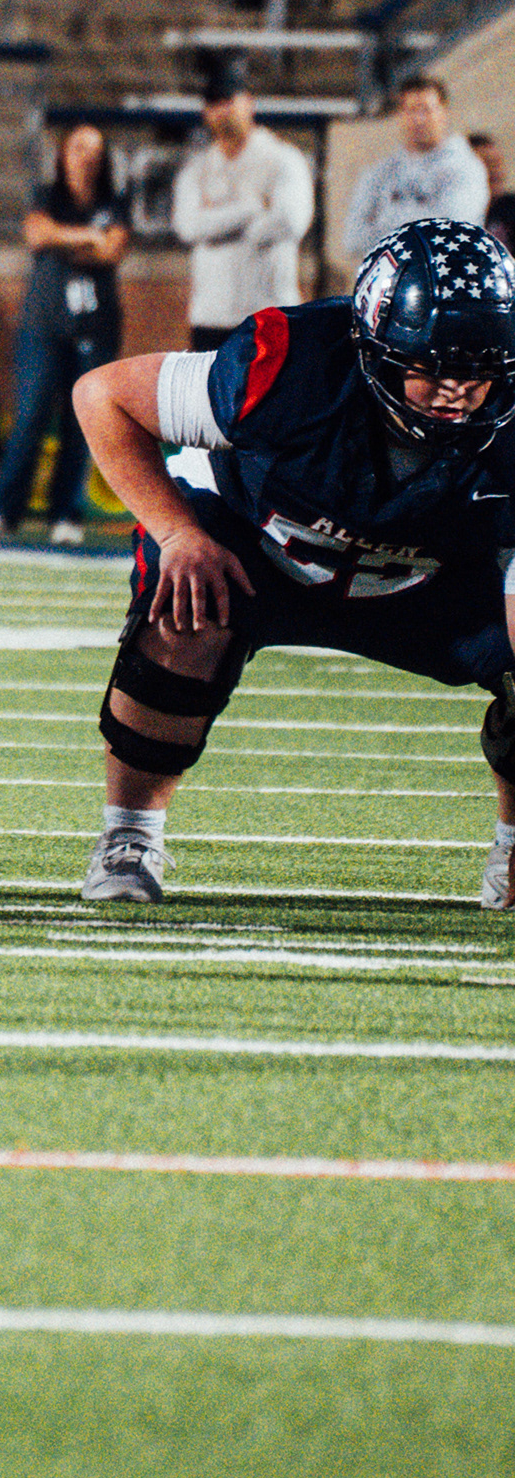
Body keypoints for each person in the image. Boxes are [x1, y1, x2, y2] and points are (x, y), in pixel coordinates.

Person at [72, 217, 515, 910]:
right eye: (432, 366)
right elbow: (104, 396)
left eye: (479, 369)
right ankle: (129, 835)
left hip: (425, 579)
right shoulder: (289, 365)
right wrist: (180, 535)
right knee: (182, 610)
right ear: (375, 347)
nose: (458, 388)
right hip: (256, 546)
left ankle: (513, 847)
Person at [0, 123, 130, 547]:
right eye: (78, 148)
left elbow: (112, 249)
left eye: (94, 150)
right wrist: (88, 236)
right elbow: (37, 235)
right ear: (63, 154)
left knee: (84, 422)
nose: (85, 158)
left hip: (95, 327)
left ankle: (66, 513)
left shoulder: (114, 203)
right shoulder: (47, 197)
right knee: (30, 416)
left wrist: (68, 242)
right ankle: (4, 511)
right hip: (43, 325)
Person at [172, 54, 314, 350]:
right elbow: (188, 227)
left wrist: (215, 222)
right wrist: (253, 208)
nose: (222, 111)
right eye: (214, 104)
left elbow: (291, 222)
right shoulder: (196, 169)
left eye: (229, 101)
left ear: (248, 103)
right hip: (211, 318)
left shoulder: (283, 159)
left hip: (270, 313)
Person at [344, 74, 490, 263]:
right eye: (411, 110)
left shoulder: (465, 168)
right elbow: (353, 239)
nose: (419, 119)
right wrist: (422, 220)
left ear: (444, 112)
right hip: (392, 278)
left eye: (426, 110)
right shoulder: (380, 173)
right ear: (400, 115)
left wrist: (385, 220)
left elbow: (449, 234)